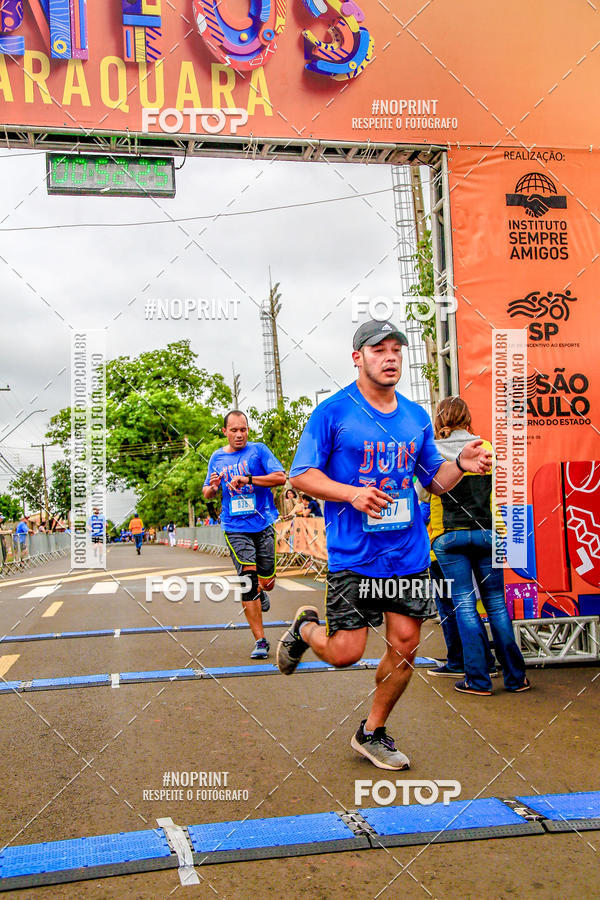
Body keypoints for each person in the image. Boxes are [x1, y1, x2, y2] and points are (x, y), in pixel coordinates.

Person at [276, 319, 493, 770]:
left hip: (407, 553)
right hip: (355, 555)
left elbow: (432, 480)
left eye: (396, 349)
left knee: (406, 643)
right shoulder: (333, 413)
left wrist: (464, 465)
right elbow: (301, 474)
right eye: (379, 350)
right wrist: (351, 493)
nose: (390, 357)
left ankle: (372, 731)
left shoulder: (415, 416)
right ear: (358, 358)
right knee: (344, 653)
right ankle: (304, 629)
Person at [428, 397, 529, 696]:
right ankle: (515, 677)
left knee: (464, 606)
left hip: (449, 537)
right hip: (489, 533)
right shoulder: (487, 447)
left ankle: (478, 679)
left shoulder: (432, 450)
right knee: (497, 604)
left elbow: (423, 493)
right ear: (467, 416)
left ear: (441, 418)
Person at [203, 410, 286, 660]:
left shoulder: (259, 451)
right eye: (234, 430)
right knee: (248, 581)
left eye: (244, 429)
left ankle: (263, 591)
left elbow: (281, 478)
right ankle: (260, 640)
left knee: (266, 581)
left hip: (263, 523)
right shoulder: (216, 457)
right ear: (225, 431)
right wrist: (214, 487)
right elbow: (207, 492)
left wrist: (248, 478)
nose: (239, 434)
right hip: (234, 526)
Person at [420, 497, 498, 679]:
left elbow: (423, 513)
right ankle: (485, 661)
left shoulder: (436, 481)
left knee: (450, 610)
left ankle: (458, 662)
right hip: (476, 541)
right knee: (469, 608)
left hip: (439, 550)